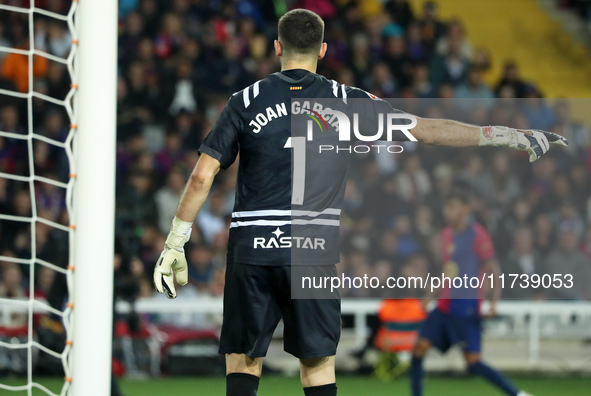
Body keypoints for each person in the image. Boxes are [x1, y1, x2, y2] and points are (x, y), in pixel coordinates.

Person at [152, 9, 567, 396]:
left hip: (252, 247)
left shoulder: (244, 101)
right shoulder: (347, 101)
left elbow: (202, 176)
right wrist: (505, 135)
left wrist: (175, 242)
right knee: (317, 366)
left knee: (243, 362)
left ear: (277, 47)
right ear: (323, 50)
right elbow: (425, 129)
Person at [410, 191, 533, 396]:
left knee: (473, 362)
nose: (448, 212)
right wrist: (431, 296)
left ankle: (517, 394)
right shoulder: (446, 235)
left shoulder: (478, 234)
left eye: (453, 207)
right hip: (444, 306)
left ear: (465, 209)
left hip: (465, 306)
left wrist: (494, 301)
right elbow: (448, 271)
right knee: (418, 349)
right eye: (447, 207)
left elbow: (494, 269)